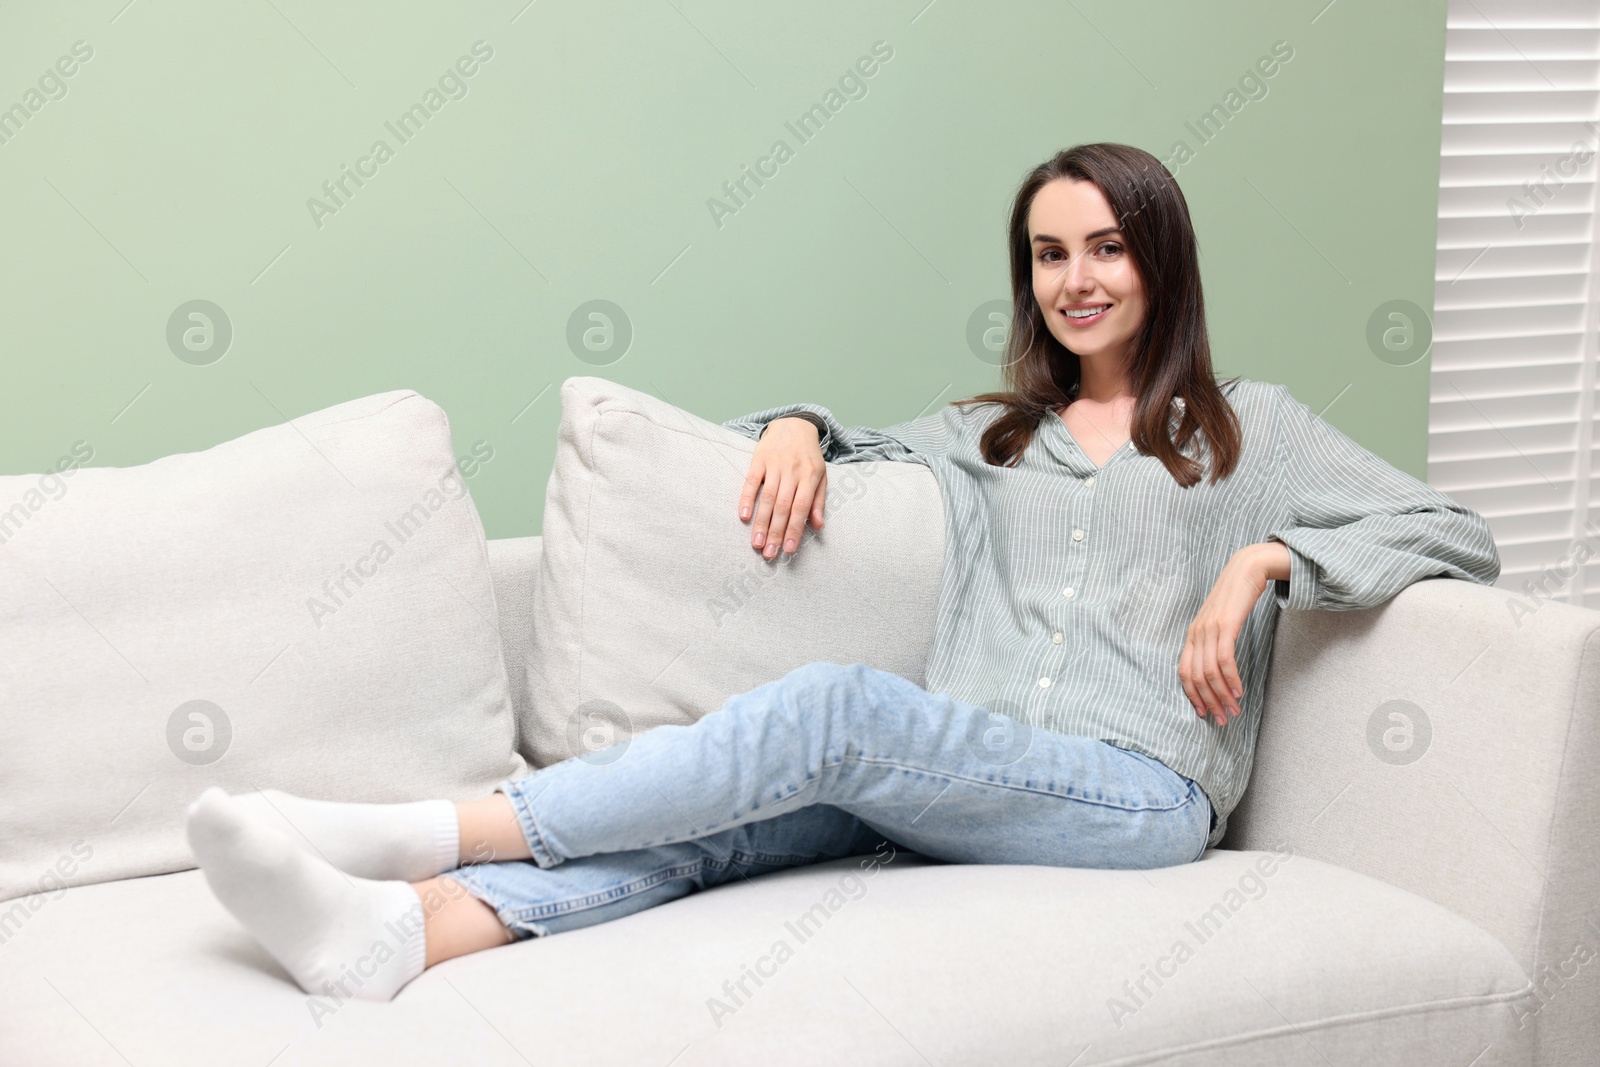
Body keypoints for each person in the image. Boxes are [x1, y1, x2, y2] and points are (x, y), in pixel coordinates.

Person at [184, 142, 1501, 1005]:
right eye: (1050, 254)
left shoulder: (1251, 431)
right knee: (731, 828)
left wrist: (1268, 559)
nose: (1077, 279)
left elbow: (1455, 530)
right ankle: (407, 931)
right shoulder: (991, 438)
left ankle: (428, 824)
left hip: (1142, 798)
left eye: (1106, 246)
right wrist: (803, 426)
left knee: (836, 712)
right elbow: (819, 431)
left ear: (1161, 256)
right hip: (975, 775)